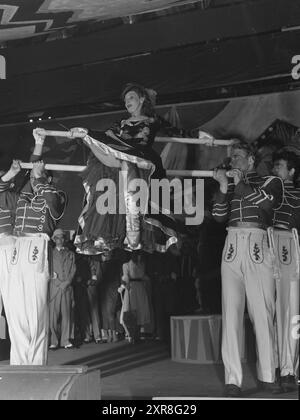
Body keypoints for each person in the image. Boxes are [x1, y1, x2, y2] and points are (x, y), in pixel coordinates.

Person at [69, 83, 178, 255]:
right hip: (121, 160)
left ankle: (133, 224)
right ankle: (84, 135)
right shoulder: (120, 123)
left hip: (142, 160)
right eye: (126, 99)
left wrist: (202, 137)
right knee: (100, 151)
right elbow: (105, 138)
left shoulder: (153, 120)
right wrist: (87, 133)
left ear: (142, 99)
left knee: (125, 165)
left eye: (131, 97)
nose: (127, 101)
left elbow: (177, 131)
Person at [212, 140, 284, 397]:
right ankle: (233, 379)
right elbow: (219, 216)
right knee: (230, 314)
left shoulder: (270, 181)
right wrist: (222, 187)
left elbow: (265, 204)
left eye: (239, 157)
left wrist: (237, 182)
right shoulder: (233, 185)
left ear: (251, 160)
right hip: (232, 245)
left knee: (262, 313)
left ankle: (267, 375)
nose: (233, 162)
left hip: (257, 245)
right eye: (231, 158)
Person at [7, 129, 66, 365]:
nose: (33, 180)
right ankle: (19, 361)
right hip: (17, 247)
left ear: (47, 179)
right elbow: (32, 169)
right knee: (16, 308)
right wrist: (38, 143)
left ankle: (36, 363)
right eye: (31, 179)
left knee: (36, 310)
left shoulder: (57, 194)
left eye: (38, 178)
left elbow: (51, 200)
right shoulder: (25, 193)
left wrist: (40, 177)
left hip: (37, 247)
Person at [272, 150, 300, 392]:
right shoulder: (268, 190)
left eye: (279, 166)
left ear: (291, 171)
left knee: (290, 310)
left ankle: (289, 369)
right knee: (267, 310)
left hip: (289, 246)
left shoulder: (297, 193)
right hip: (264, 244)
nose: (275, 170)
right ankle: (274, 364)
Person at [0, 160, 22, 340]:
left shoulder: (15, 198)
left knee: (14, 300)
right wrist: (10, 174)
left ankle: (11, 341)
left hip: (12, 247)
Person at [49, 229, 76, 350]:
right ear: (54, 240)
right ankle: (53, 341)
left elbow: (73, 270)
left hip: (66, 288)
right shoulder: (49, 254)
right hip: (55, 289)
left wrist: (67, 282)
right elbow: (49, 271)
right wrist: (59, 283)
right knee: (53, 317)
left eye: (62, 238)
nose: (60, 240)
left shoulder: (70, 254)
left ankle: (65, 340)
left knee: (67, 315)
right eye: (58, 238)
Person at [118, 251, 151, 343]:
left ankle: (138, 334)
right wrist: (124, 286)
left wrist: (148, 281)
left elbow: (143, 276)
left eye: (138, 255)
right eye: (135, 255)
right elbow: (125, 277)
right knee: (131, 310)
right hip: (131, 289)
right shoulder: (126, 265)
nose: (137, 257)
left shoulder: (142, 265)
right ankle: (132, 334)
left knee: (141, 310)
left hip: (140, 289)